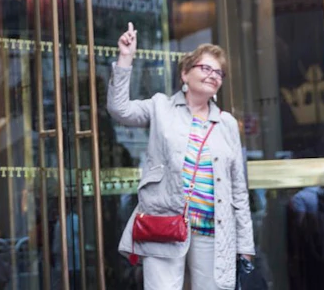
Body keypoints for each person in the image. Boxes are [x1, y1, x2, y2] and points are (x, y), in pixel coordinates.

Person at [107, 23, 255, 290]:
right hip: (164, 223)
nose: (213, 75)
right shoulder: (161, 107)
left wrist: (245, 246)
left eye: (219, 72)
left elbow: (239, 190)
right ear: (185, 74)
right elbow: (120, 110)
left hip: (213, 229)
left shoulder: (227, 124)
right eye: (206, 68)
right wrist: (125, 58)